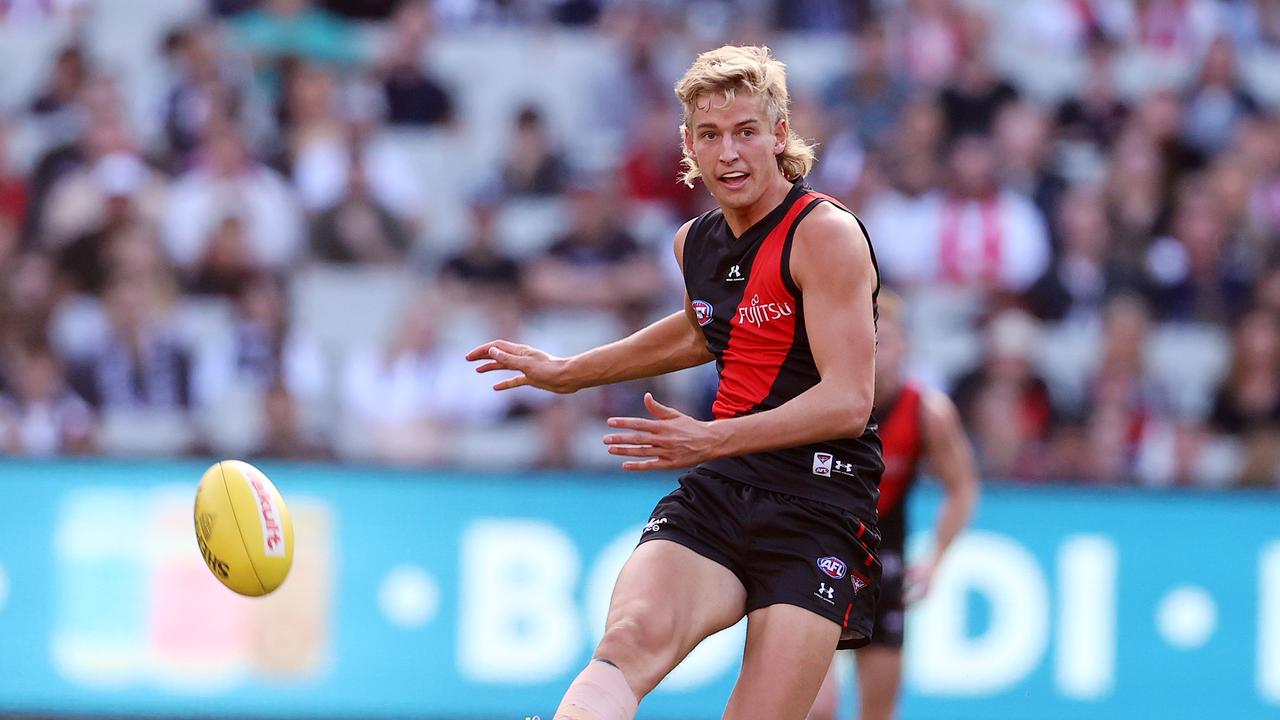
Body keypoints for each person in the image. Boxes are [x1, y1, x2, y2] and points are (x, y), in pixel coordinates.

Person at [467, 45, 883, 720]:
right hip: (721, 486)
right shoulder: (695, 242)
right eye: (711, 136)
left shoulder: (824, 234)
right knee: (625, 644)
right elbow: (705, 326)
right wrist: (570, 372)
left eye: (747, 131)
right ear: (688, 145)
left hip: (818, 502)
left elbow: (847, 401)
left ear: (779, 135)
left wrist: (712, 438)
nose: (730, 154)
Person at [807, 291, 979, 720]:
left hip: (885, 566)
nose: (877, 356)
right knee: (818, 706)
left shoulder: (927, 414)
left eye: (887, 343)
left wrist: (935, 559)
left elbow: (962, 488)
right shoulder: (818, 401)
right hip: (815, 556)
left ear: (906, 347)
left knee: (879, 709)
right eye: (870, 343)